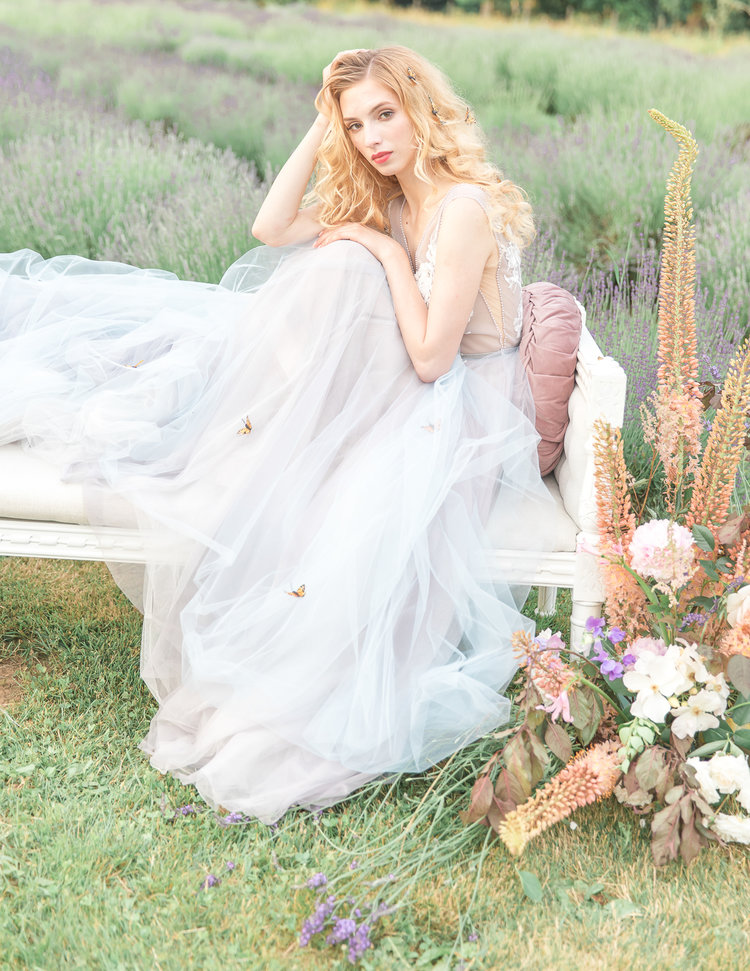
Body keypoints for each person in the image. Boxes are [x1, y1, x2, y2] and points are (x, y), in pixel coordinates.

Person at [0, 47, 550, 822]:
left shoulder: (459, 209)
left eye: (384, 115)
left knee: (347, 289)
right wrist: (321, 121)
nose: (371, 138)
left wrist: (383, 252)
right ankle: (228, 445)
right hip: (419, 384)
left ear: (422, 109)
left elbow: (433, 358)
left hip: (463, 405)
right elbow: (271, 226)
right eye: (355, 125)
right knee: (323, 284)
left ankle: (246, 495)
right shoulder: (394, 199)